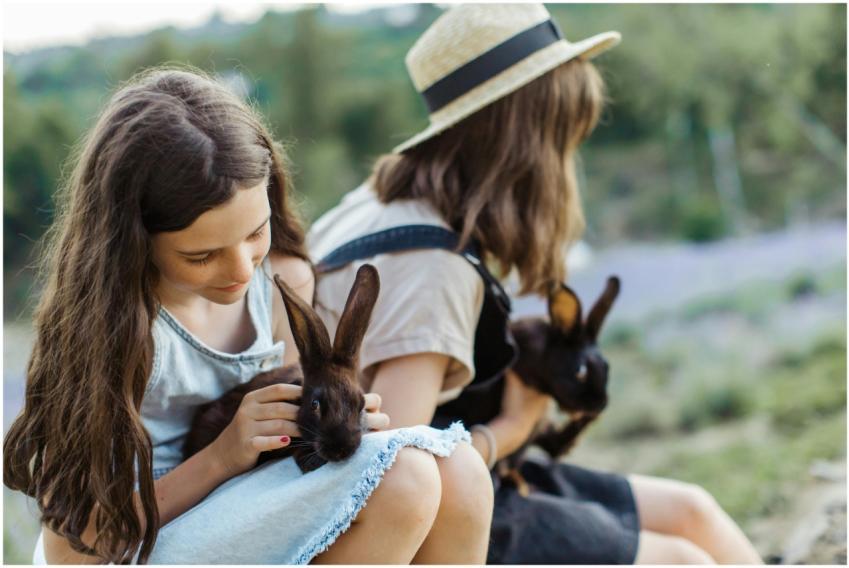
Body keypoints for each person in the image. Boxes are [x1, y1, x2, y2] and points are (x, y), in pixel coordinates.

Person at [308, 4, 763, 564]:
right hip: (451, 519)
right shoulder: (434, 266)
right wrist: (515, 424)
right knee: (681, 560)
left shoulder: (376, 203)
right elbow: (391, 477)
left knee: (693, 510)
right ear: (524, 147)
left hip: (484, 471)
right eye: (564, 139)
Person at [3, 67, 494, 565]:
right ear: (134, 243)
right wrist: (222, 456)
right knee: (404, 480)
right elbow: (73, 552)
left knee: (461, 472)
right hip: (135, 544)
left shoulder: (284, 283)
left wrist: (344, 421)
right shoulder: (114, 331)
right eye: (202, 256)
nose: (241, 270)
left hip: (242, 507)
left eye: (256, 233)